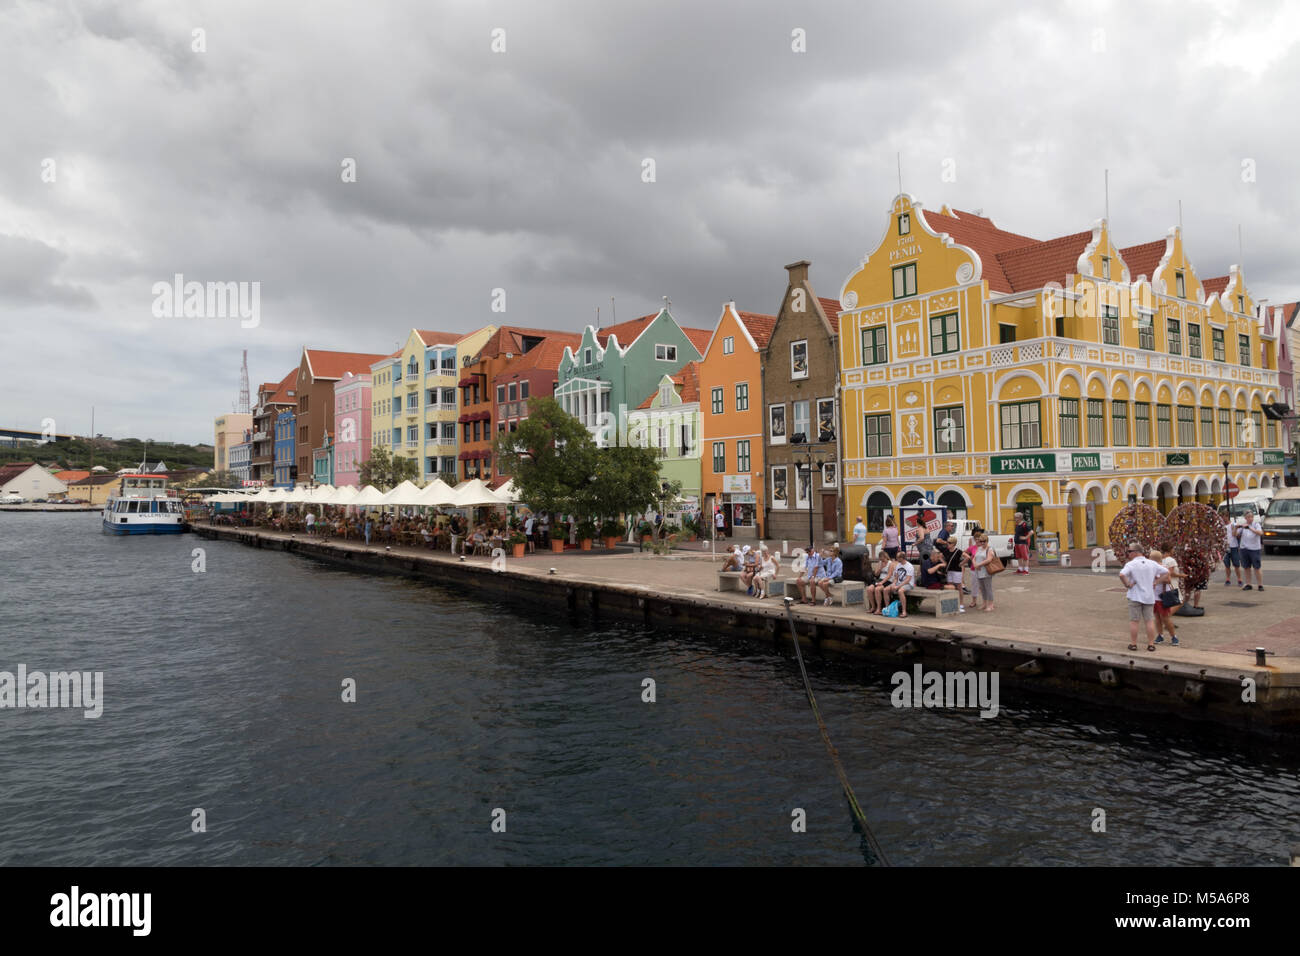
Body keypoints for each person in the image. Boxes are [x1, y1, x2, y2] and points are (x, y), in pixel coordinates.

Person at [1119, 541, 1170, 652]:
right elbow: (1166, 572)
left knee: (1134, 621)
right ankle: (1151, 645)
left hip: (1134, 596)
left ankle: (1133, 644)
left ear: (1136, 552)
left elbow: (1122, 574)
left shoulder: (1131, 564)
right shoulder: (1151, 563)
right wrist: (1157, 582)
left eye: (1129, 551)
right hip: (1149, 596)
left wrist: (1127, 584)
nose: (1128, 554)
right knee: (1149, 621)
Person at [1150, 549, 1181, 645]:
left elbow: (1168, 580)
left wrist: (1157, 580)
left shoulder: (1163, 568)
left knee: (1165, 618)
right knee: (1157, 618)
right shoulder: (1152, 569)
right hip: (1154, 596)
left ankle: (1173, 636)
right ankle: (1160, 635)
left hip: (1162, 597)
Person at [1236, 508, 1264, 591]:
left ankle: (1260, 585)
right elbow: (1236, 535)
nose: (1250, 519)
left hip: (1254, 549)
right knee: (1246, 567)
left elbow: (1260, 533)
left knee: (1257, 567)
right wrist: (1235, 527)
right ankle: (1249, 584)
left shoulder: (1256, 525)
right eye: (1248, 517)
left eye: (1251, 517)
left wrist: (1249, 528)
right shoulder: (1243, 525)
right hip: (1244, 548)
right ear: (1245, 518)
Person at [971, 533, 995, 611]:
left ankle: (990, 605)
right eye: (981, 541)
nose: (982, 543)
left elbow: (989, 559)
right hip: (979, 572)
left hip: (986, 571)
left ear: (987, 541)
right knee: (982, 588)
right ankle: (984, 603)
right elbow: (974, 558)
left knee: (988, 588)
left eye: (984, 541)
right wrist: (975, 564)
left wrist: (979, 565)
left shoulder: (990, 549)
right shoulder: (979, 548)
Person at [1222, 513, 1243, 587]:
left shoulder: (1234, 524)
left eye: (1224, 517)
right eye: (1222, 517)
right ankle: (1228, 579)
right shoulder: (1221, 526)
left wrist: (1235, 528)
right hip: (1225, 548)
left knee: (1236, 565)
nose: (1223, 519)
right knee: (1227, 565)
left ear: (1227, 517)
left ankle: (1239, 579)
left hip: (1233, 547)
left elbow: (1235, 535)